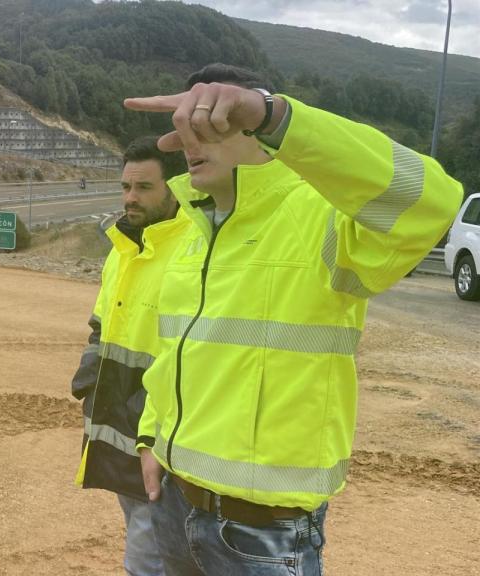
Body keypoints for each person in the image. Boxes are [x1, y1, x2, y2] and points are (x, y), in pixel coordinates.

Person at [125, 63, 462, 575]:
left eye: (211, 125)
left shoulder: (324, 218)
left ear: (261, 136)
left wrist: (275, 115)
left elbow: (432, 202)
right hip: (174, 505)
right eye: (185, 125)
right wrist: (150, 438)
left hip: (261, 535)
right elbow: (176, 354)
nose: (191, 142)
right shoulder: (194, 230)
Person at [71, 137, 188, 576]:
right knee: (143, 535)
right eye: (125, 187)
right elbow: (103, 321)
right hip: (122, 420)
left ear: (174, 189)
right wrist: (90, 369)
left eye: (143, 188)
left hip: (163, 428)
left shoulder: (191, 250)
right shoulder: (122, 248)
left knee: (150, 557)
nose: (130, 198)